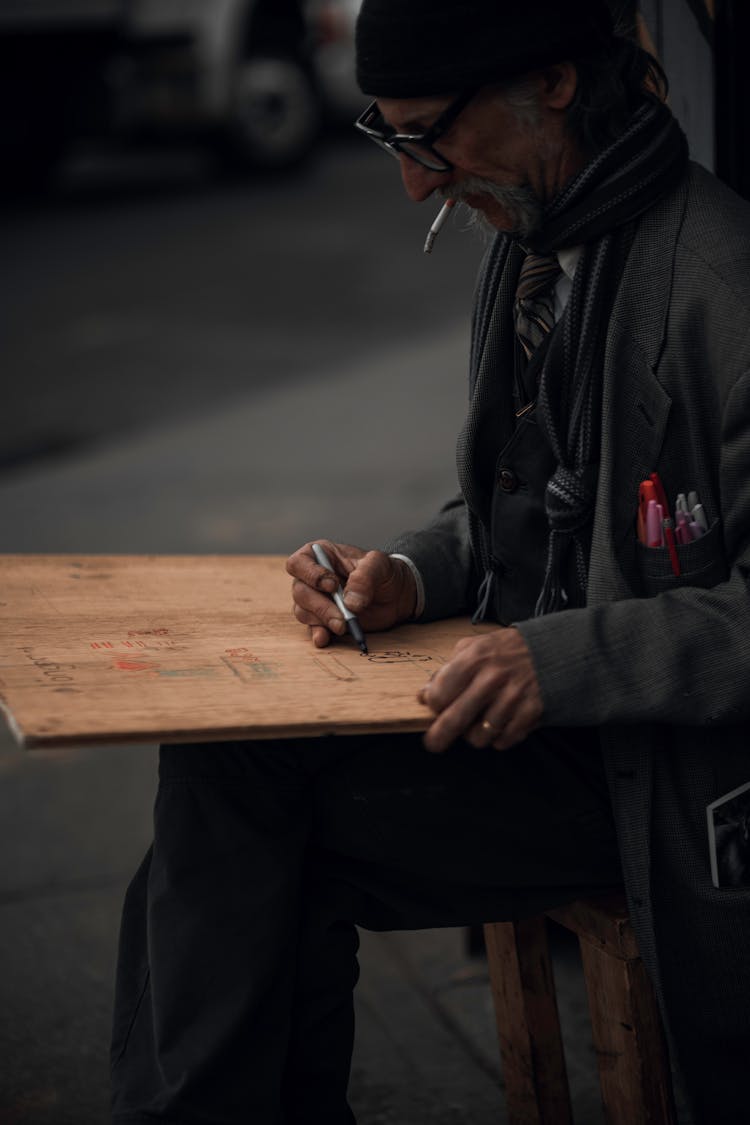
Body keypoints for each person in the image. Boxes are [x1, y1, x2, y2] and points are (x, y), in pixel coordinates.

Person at [110, 2, 750, 1122]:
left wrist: (562, 660)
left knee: (230, 863)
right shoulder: (539, 242)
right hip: (556, 745)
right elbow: (516, 505)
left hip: (657, 775)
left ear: (553, 84)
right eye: (392, 139)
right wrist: (408, 572)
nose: (415, 185)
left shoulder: (721, 288)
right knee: (222, 788)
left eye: (429, 137)